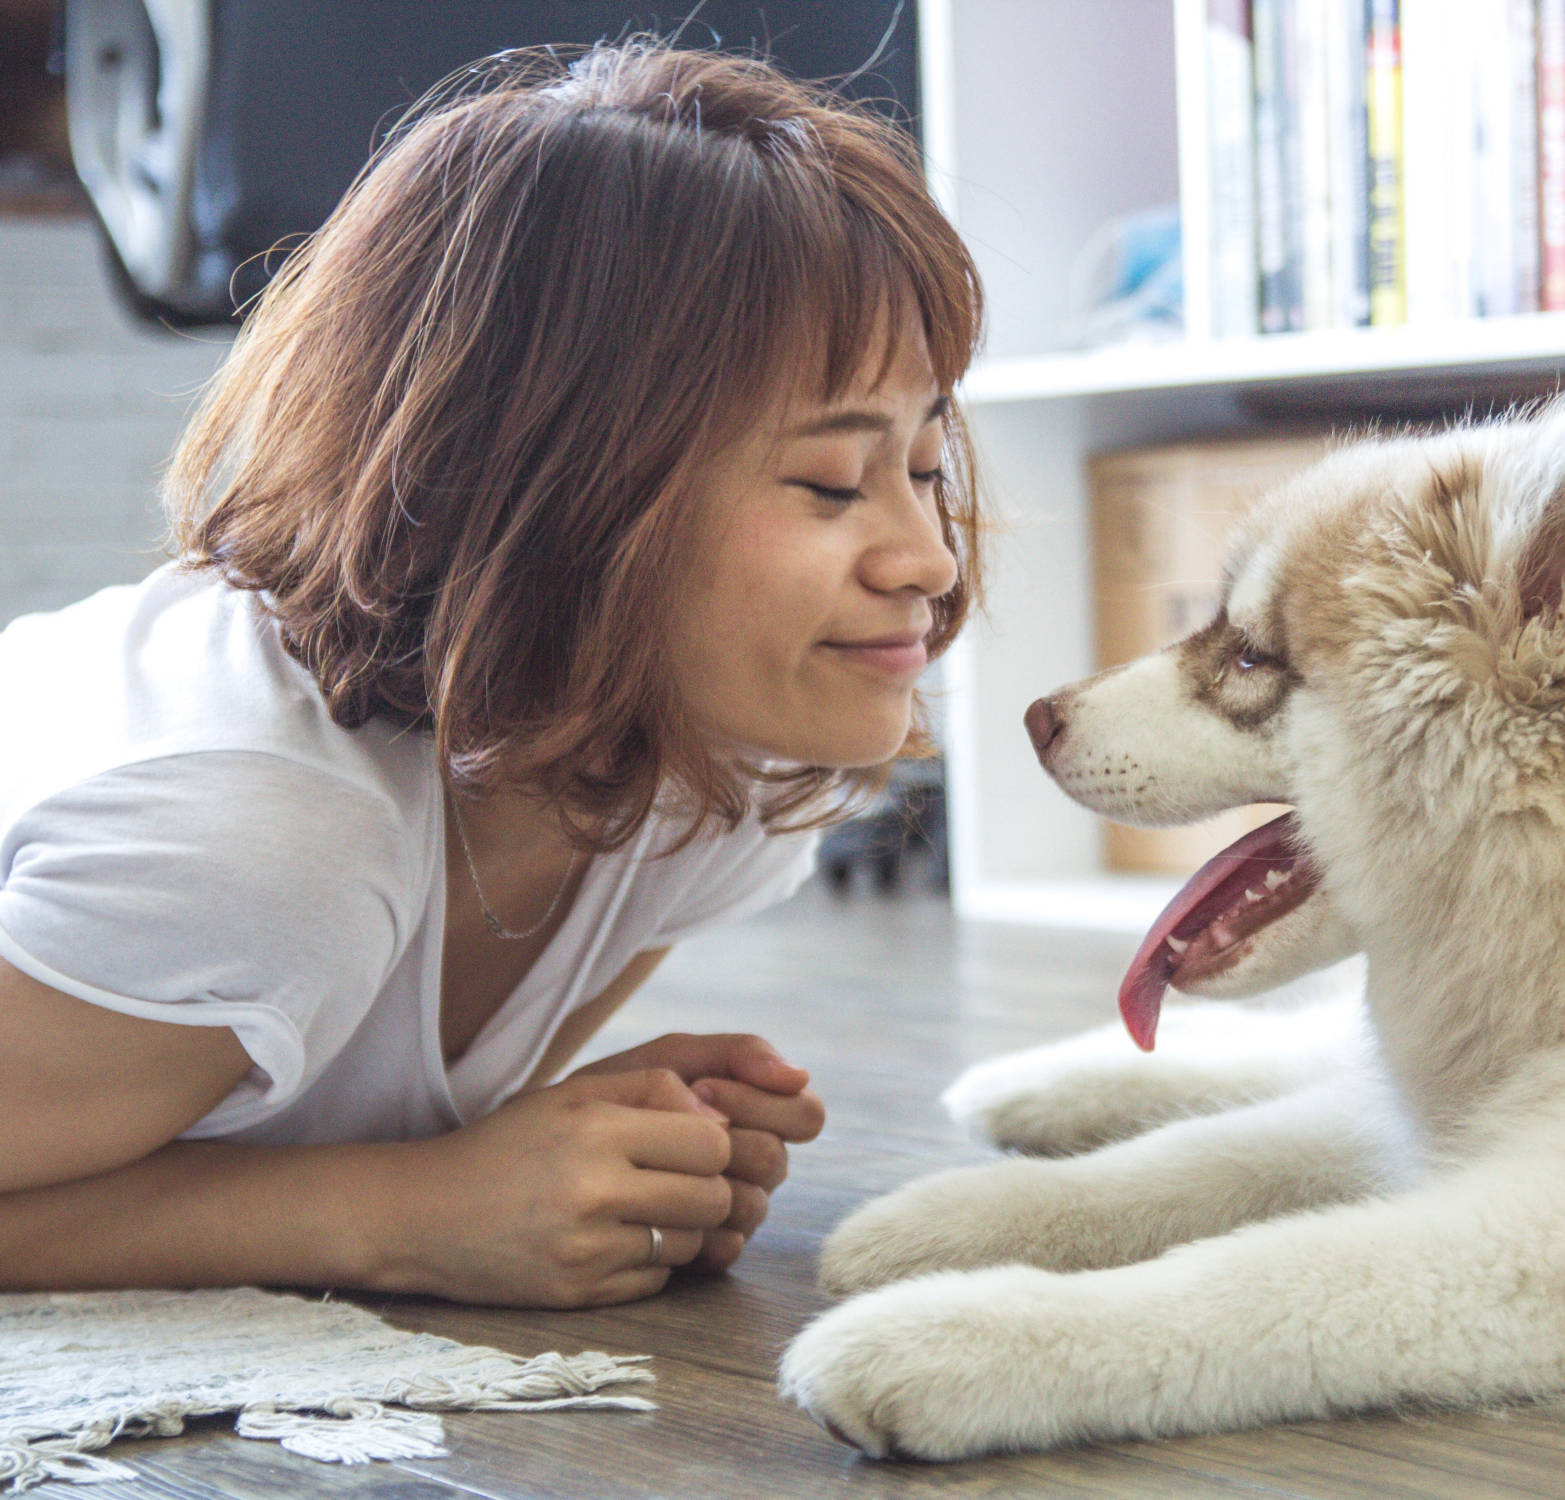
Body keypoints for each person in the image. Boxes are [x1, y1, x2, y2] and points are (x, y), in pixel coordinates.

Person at [0, 38, 983, 1309]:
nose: (925, 559)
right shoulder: (258, 841)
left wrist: (574, 1154)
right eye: (829, 484)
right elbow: (381, 1186)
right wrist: (398, 1214)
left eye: (922, 465)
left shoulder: (712, 773)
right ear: (554, 494)